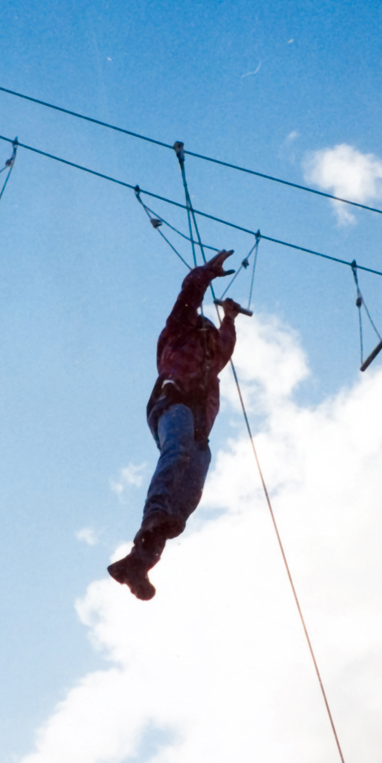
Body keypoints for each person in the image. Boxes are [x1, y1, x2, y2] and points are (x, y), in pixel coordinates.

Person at [108, 250, 247, 600]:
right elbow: (188, 296)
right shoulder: (178, 331)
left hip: (200, 427)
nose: (208, 338)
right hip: (172, 404)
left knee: (188, 492)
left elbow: (224, 347)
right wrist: (207, 274)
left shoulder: (211, 355)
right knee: (179, 449)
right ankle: (154, 514)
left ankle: (138, 562)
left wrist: (229, 318)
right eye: (206, 329)